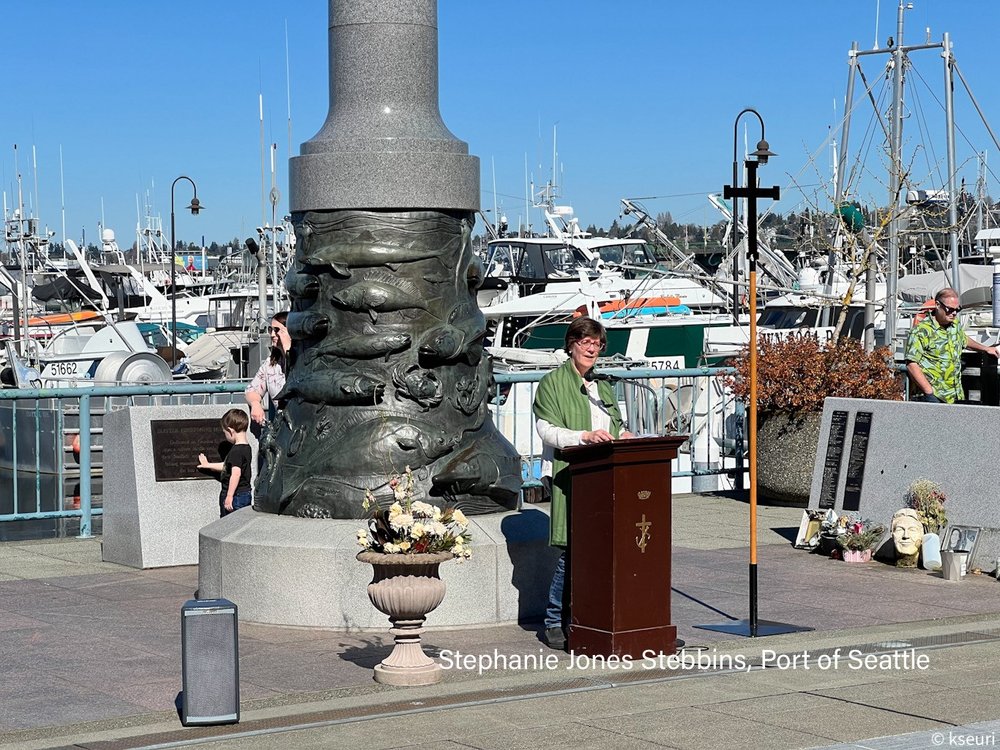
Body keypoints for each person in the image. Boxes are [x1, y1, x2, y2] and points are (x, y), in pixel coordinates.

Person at [532, 316, 633, 650]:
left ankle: (590, 617)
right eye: (585, 342)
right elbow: (546, 430)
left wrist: (625, 435)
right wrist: (584, 437)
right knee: (572, 552)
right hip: (571, 475)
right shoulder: (552, 383)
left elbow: (614, 424)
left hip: (606, 476)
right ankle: (553, 620)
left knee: (602, 550)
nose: (592, 348)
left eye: (597, 344)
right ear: (571, 344)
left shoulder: (602, 385)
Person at [905, 288, 999, 403]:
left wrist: (985, 348)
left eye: (957, 309)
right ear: (938, 305)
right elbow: (911, 364)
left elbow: (963, 339)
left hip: (955, 396)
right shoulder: (921, 331)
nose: (954, 313)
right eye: (949, 309)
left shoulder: (954, 326)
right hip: (935, 396)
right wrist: (928, 392)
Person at [198, 409, 253, 517]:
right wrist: (207, 465)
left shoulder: (236, 451)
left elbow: (235, 474)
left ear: (230, 431)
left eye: (224, 433)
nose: (225, 436)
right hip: (244, 493)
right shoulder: (246, 448)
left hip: (236, 496)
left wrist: (229, 496)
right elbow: (227, 466)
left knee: (229, 526)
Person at [245, 311, 291, 425]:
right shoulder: (271, 363)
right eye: (271, 330)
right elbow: (252, 390)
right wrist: (256, 404)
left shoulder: (304, 358)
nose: (272, 335)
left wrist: (287, 349)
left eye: (277, 330)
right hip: (282, 425)